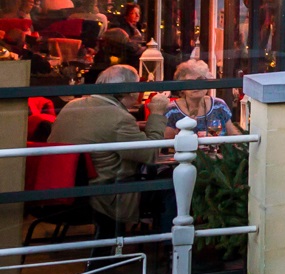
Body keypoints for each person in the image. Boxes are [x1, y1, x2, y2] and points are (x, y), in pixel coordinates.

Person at [48, 65, 169, 235]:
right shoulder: (119, 118)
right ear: (131, 91)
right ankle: (172, 248)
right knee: (171, 184)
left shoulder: (71, 106)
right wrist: (157, 113)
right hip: (108, 197)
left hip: (63, 191)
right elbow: (150, 155)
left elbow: (102, 131)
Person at [163, 59, 237, 134]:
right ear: (182, 88)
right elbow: (168, 143)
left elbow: (234, 137)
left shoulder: (219, 105)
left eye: (200, 80)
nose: (196, 86)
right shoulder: (172, 110)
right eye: (190, 82)